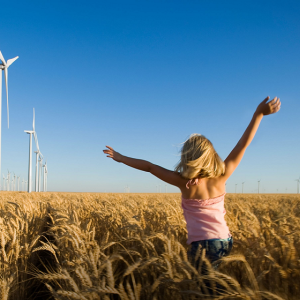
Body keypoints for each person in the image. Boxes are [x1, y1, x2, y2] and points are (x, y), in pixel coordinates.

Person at [103, 96, 281, 268]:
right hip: (225, 240)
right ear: (211, 156)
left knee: (204, 287)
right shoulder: (222, 177)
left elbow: (150, 167)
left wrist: (121, 157)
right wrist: (258, 114)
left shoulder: (184, 183)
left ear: (187, 158)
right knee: (215, 284)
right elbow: (243, 144)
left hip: (203, 245)